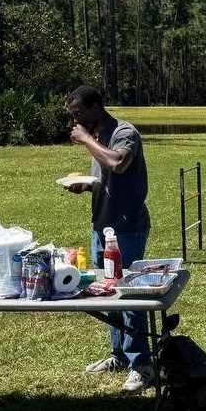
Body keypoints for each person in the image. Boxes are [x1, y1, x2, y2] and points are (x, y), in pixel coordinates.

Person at [64, 85, 153, 393]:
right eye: (73, 115)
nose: (75, 121)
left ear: (96, 107)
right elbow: (107, 179)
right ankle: (118, 355)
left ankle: (141, 364)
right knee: (105, 291)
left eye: (79, 114)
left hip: (127, 226)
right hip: (101, 226)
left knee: (129, 295)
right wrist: (86, 186)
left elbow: (118, 163)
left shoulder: (124, 133)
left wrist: (86, 139)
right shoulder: (98, 138)